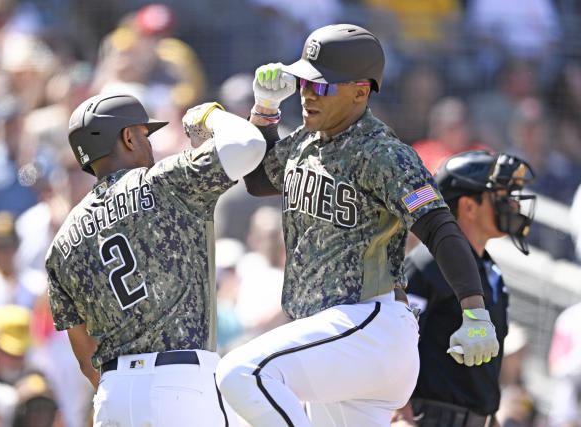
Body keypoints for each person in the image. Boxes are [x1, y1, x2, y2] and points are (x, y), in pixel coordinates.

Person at [216, 24, 500, 426]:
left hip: (370, 324)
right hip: (332, 338)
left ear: (361, 91)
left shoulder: (383, 154)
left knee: (242, 373)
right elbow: (260, 181)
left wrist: (475, 310)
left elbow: (439, 227)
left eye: (323, 86)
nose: (308, 93)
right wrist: (264, 111)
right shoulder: (305, 140)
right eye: (304, 82)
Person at [45, 93, 265, 426]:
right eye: (145, 135)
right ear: (128, 137)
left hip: (113, 395)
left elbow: (86, 358)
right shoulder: (164, 182)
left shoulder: (61, 244)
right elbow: (250, 143)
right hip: (182, 383)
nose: (151, 145)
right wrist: (209, 117)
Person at [392, 150, 536, 426]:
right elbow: (396, 339)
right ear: (469, 206)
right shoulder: (426, 263)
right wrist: (401, 409)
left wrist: (488, 413)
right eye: (502, 195)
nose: (513, 205)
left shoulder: (491, 272)